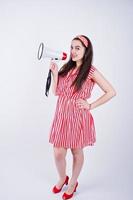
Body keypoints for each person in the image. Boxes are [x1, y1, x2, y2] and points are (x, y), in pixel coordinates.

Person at [48, 35, 116, 200]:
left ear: (86, 51)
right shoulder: (66, 67)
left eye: (78, 48)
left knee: (76, 152)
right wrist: (56, 74)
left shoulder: (91, 71)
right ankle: (62, 177)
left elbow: (111, 92)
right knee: (58, 153)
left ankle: (73, 182)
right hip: (61, 116)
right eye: (72, 47)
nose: (73, 51)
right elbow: (56, 92)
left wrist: (90, 105)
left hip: (78, 117)